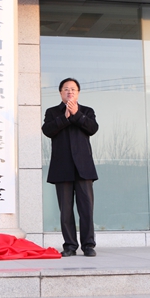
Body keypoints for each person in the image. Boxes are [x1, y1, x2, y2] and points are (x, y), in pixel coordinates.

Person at [42, 78, 99, 257]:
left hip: (83, 169)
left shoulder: (87, 111)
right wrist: (65, 118)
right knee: (65, 211)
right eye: (66, 89)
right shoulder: (52, 113)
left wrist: (77, 115)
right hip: (62, 168)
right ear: (60, 93)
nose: (70, 92)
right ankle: (70, 246)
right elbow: (47, 130)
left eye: (73, 89)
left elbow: (93, 128)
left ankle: (88, 245)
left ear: (78, 93)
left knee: (86, 209)